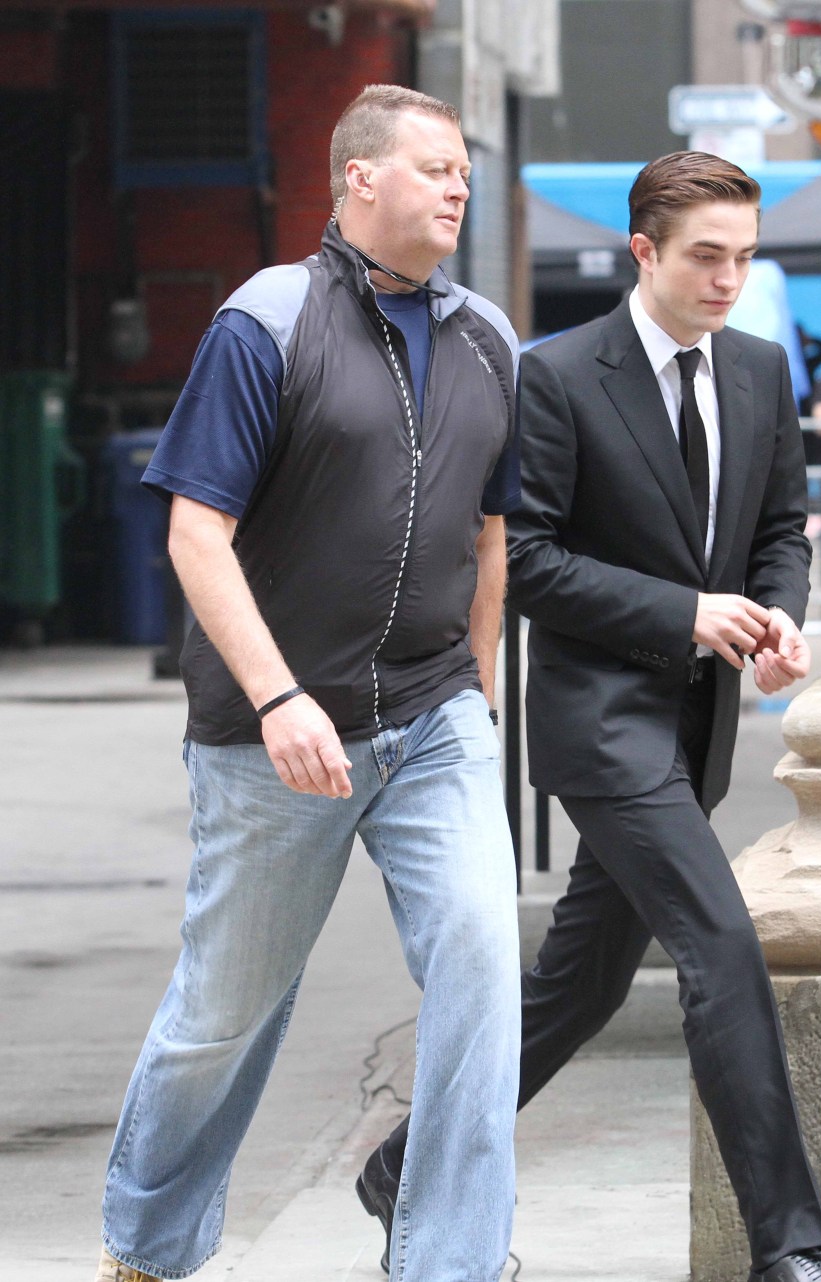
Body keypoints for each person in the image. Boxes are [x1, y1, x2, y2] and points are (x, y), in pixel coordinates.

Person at [360, 151, 821, 1282]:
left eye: (744, 258)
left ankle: (401, 1168)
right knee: (720, 944)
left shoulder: (761, 370)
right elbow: (526, 559)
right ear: (642, 252)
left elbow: (778, 528)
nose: (728, 280)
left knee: (579, 985)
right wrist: (685, 613)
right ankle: (789, 1247)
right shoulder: (560, 377)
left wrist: (777, 614)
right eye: (705, 258)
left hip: (694, 731)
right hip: (601, 724)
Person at [96, 84, 522, 1282]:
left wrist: (480, 695)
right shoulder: (265, 323)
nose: (458, 186)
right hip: (272, 736)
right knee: (225, 1012)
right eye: (434, 167)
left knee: (483, 976)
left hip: (434, 716)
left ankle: (451, 1262)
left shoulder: (488, 339)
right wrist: (281, 698)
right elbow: (196, 534)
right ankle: (148, 1248)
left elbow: (491, 532)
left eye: (463, 171)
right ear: (359, 178)